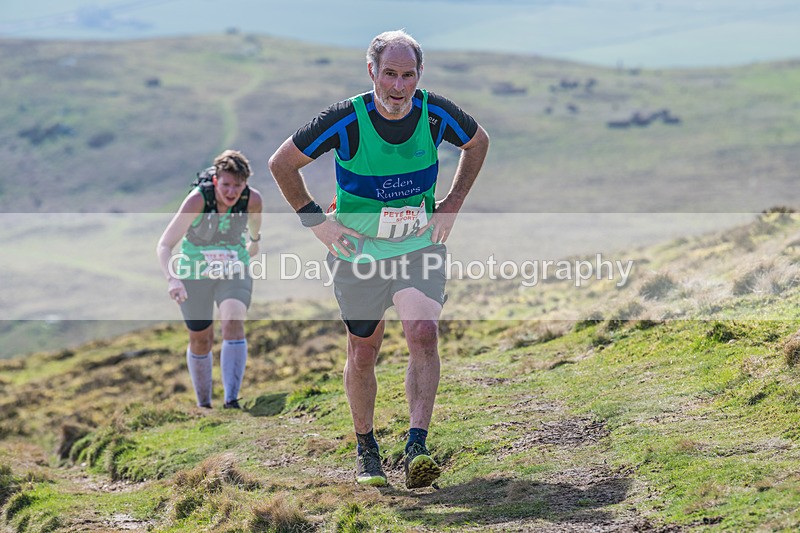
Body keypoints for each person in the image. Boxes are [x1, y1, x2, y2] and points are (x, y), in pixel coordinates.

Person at [268, 30, 489, 488]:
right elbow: (281, 164)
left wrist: (452, 202)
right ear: (372, 72)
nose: (399, 86)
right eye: (389, 74)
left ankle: (416, 447)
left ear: (418, 75)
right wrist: (317, 223)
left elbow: (478, 141)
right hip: (359, 254)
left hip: (417, 246)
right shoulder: (346, 119)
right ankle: (366, 446)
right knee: (363, 351)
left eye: (408, 75)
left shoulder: (435, 114)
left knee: (423, 333)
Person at [156, 149, 263, 410]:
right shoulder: (197, 201)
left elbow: (255, 229)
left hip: (233, 268)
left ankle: (231, 400)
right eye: (226, 185)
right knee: (201, 338)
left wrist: (255, 242)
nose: (231, 192)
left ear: (245, 184)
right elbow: (165, 245)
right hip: (194, 272)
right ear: (216, 180)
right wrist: (173, 280)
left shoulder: (253, 200)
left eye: (237, 185)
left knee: (232, 319)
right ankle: (204, 405)